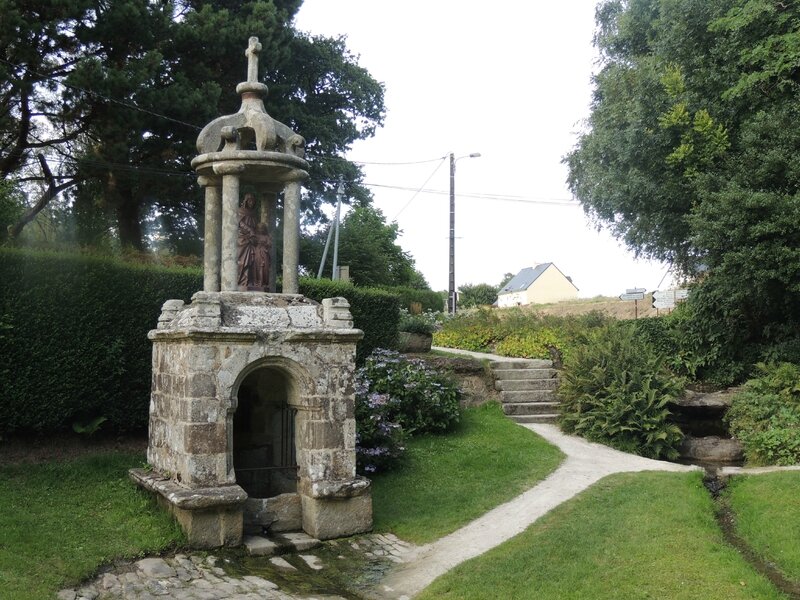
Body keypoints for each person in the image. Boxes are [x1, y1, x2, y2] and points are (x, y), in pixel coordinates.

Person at [237, 193, 258, 290]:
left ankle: (249, 282)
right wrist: (249, 230)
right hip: (243, 239)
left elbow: (257, 226)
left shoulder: (254, 213)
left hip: (252, 240)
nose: (251, 203)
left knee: (252, 261)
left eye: (253, 201)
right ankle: (240, 281)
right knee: (242, 261)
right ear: (246, 201)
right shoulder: (240, 211)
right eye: (249, 201)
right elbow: (239, 223)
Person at [253, 222, 271, 291]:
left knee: (265, 268)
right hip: (257, 252)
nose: (261, 230)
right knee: (257, 267)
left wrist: (265, 244)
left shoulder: (267, 237)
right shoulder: (256, 236)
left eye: (262, 228)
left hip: (265, 253)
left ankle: (264, 283)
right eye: (259, 228)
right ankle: (257, 282)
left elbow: (269, 244)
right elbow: (253, 242)